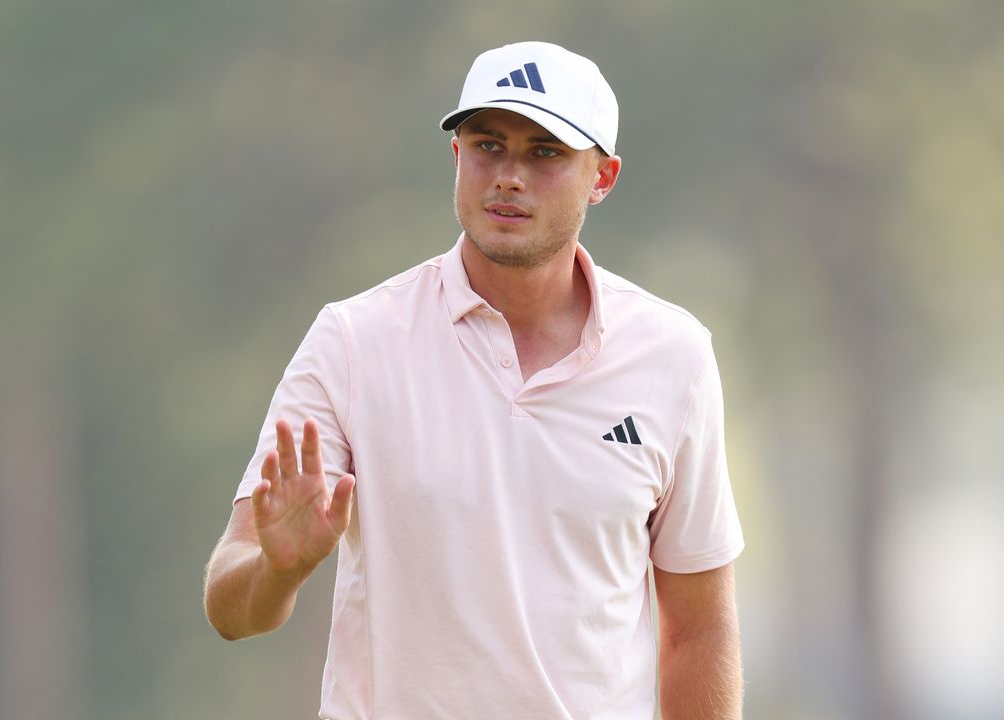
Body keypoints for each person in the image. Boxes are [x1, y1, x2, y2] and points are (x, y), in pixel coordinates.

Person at [203, 41, 745, 720]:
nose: (509, 176)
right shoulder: (355, 341)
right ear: (457, 157)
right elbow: (230, 604)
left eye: (545, 153)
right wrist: (278, 572)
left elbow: (698, 630)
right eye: (488, 145)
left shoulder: (674, 357)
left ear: (602, 177)